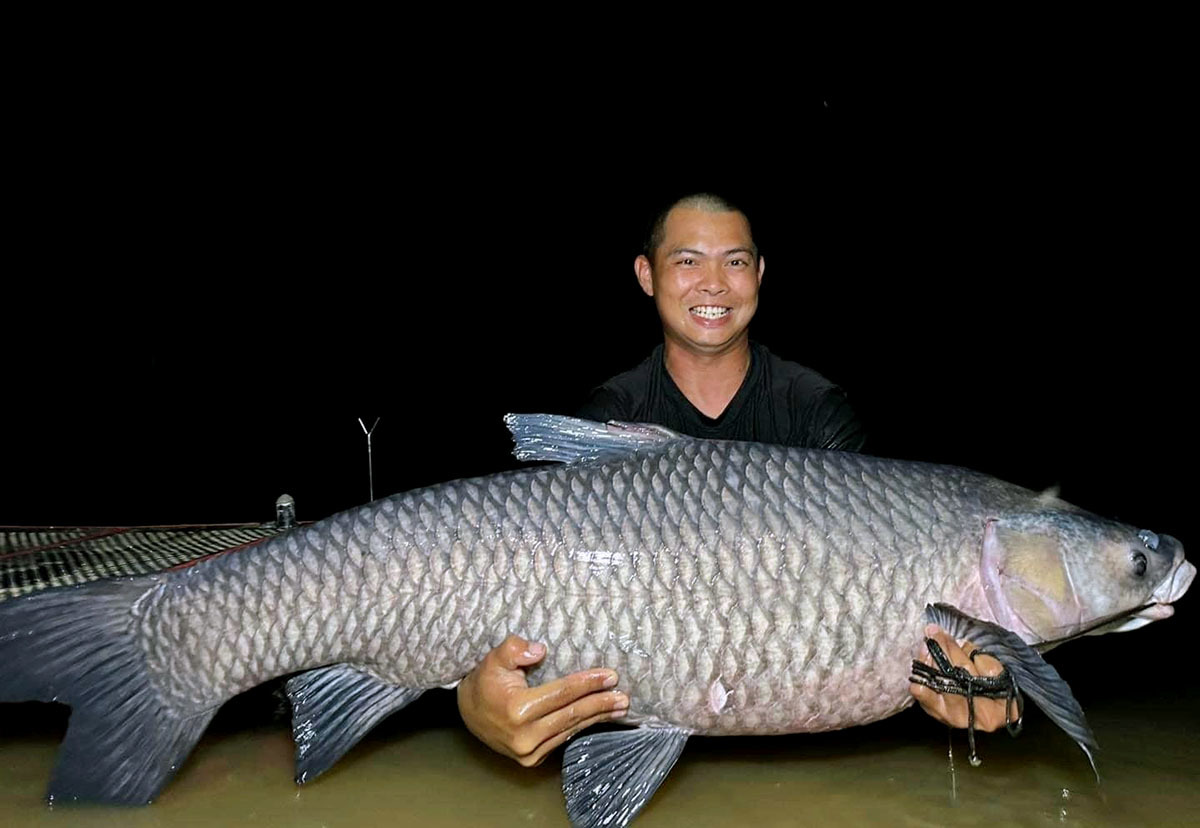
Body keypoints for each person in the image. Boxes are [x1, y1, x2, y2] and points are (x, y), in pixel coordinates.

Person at [456, 194, 1016, 767]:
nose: (714, 283)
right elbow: (538, 586)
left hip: (808, 764)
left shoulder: (814, 410)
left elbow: (876, 588)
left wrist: (992, 680)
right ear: (647, 276)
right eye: (688, 261)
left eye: (736, 262)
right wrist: (475, 702)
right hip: (637, 706)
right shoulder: (613, 409)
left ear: (760, 275)